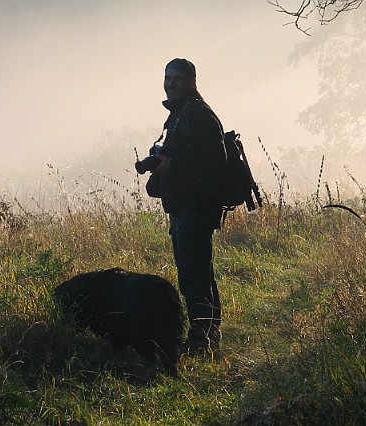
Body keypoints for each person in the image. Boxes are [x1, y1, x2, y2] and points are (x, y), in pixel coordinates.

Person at [143, 58, 226, 356]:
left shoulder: (199, 115)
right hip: (183, 207)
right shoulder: (181, 114)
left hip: (197, 206)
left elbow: (216, 160)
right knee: (194, 272)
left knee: (194, 275)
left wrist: (171, 164)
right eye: (168, 78)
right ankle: (205, 335)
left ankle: (203, 339)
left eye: (178, 79)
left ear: (192, 81)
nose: (171, 83)